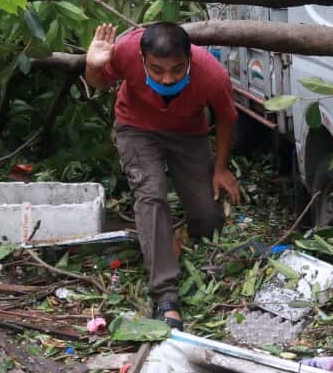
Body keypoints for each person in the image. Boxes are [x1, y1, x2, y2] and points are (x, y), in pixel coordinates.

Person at [84, 21, 242, 328]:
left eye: (177, 69)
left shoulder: (212, 74)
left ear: (190, 60)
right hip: (136, 128)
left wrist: (221, 169)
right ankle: (165, 296)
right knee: (151, 195)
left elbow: (226, 118)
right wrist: (92, 66)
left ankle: (177, 234)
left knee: (208, 218)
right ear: (142, 60)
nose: (167, 79)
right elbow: (100, 82)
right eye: (156, 70)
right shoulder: (127, 50)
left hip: (188, 134)